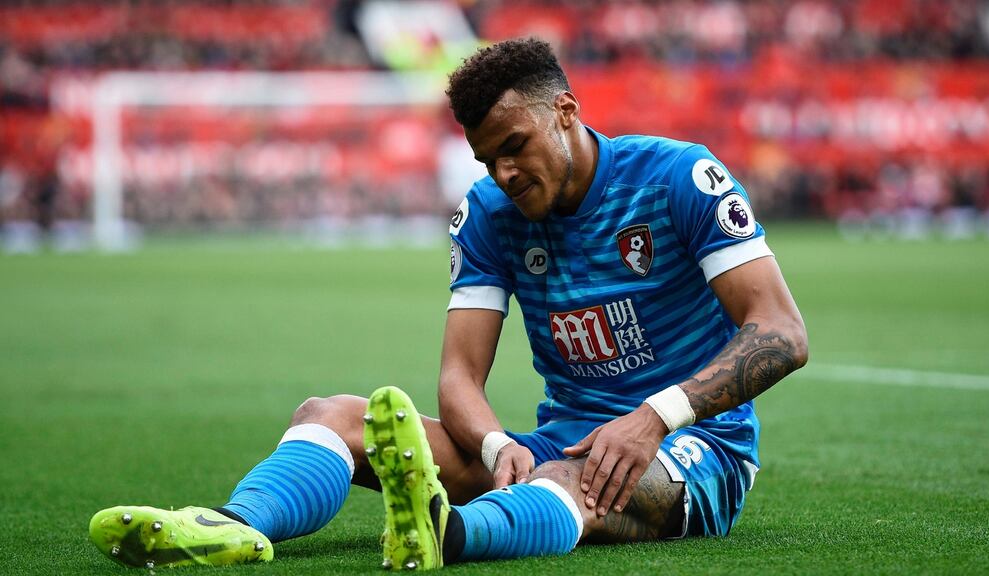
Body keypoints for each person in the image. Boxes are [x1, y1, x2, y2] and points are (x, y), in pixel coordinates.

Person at [89, 37, 808, 570]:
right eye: (487, 159)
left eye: (515, 146)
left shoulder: (679, 176)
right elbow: (460, 378)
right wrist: (498, 448)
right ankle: (233, 526)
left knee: (573, 479)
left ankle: (449, 533)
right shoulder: (491, 211)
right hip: (557, 441)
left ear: (565, 110)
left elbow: (780, 332)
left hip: (692, 452)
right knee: (333, 415)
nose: (504, 172)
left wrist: (656, 415)